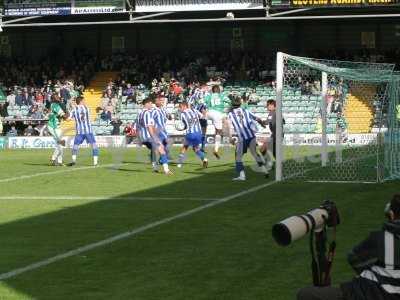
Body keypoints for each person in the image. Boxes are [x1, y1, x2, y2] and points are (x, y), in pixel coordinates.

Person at [297, 193, 400, 300]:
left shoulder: (380, 238)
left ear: (391, 214)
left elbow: (353, 258)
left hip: (364, 293)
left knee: (305, 294)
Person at [227, 94, 269, 181]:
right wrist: (262, 124)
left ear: (232, 105)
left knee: (238, 156)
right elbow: (257, 118)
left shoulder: (230, 114)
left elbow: (230, 126)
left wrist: (230, 137)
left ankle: (242, 176)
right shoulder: (245, 111)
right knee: (254, 153)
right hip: (251, 136)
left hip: (242, 138)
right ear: (239, 104)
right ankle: (265, 170)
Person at [136, 97, 172, 175]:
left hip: (141, 137)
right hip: (148, 137)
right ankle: (166, 170)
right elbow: (149, 126)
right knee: (161, 149)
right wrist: (154, 137)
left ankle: (155, 168)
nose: (152, 105)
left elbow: (138, 126)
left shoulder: (139, 113)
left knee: (155, 150)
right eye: (151, 104)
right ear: (147, 103)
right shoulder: (147, 113)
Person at [68, 96, 99, 167]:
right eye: (84, 100)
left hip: (79, 131)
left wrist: (71, 105)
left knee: (75, 146)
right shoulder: (87, 108)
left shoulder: (74, 110)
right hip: (88, 131)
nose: (85, 101)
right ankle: (95, 163)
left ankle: (73, 161)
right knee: (94, 146)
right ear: (81, 101)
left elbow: (68, 119)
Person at [176, 101, 208, 169]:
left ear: (185, 106)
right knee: (196, 148)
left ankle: (179, 163)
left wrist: (180, 129)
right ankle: (204, 159)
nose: (180, 109)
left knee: (184, 148)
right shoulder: (195, 110)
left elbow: (184, 125)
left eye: (180, 107)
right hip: (199, 133)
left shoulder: (182, 114)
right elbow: (203, 117)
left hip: (190, 133)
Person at [203, 85, 229, 159]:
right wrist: (225, 107)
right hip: (217, 114)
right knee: (219, 132)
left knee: (205, 127)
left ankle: (202, 145)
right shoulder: (222, 95)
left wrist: (206, 106)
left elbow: (200, 101)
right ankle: (216, 149)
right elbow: (229, 102)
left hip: (209, 112)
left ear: (212, 91)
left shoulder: (209, 96)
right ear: (219, 90)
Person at [46, 94, 68, 166]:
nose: (59, 97)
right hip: (53, 127)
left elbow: (61, 116)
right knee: (61, 143)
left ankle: (58, 161)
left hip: (56, 126)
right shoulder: (55, 105)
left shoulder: (53, 105)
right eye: (57, 97)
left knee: (60, 144)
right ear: (53, 99)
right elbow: (64, 116)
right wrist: (69, 114)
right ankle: (54, 159)